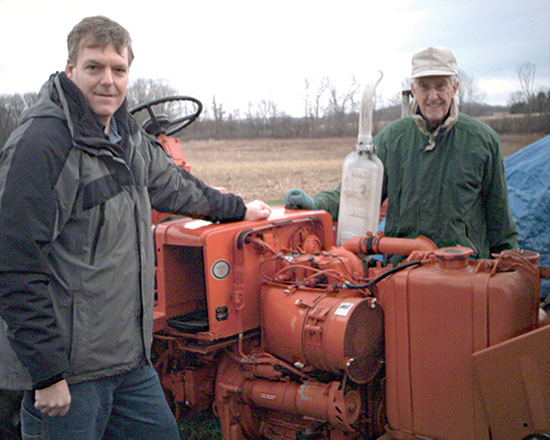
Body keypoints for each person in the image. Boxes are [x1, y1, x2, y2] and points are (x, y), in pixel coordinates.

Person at [0, 15, 271, 440]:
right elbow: (14, 263)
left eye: (118, 69)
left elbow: (174, 184)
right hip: (72, 374)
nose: (108, 80)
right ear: (71, 70)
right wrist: (47, 373)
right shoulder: (43, 144)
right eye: (94, 67)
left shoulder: (124, 133)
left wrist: (236, 208)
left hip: (130, 363)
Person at [285, 46, 518, 259]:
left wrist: (511, 273)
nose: (432, 96)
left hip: (464, 274)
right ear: (414, 89)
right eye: (424, 87)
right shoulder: (393, 139)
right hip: (402, 270)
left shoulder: (482, 141)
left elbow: (501, 224)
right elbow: (355, 195)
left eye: (441, 86)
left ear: (455, 87)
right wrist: (315, 203)